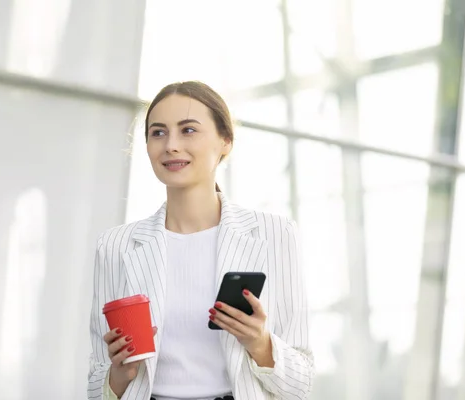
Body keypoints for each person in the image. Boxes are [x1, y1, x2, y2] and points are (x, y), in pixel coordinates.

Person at [87, 81, 314, 400]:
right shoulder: (115, 247)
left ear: (225, 141)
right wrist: (120, 373)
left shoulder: (274, 234)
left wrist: (261, 344)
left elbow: (301, 384)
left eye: (188, 130)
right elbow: (96, 390)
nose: (171, 146)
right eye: (158, 132)